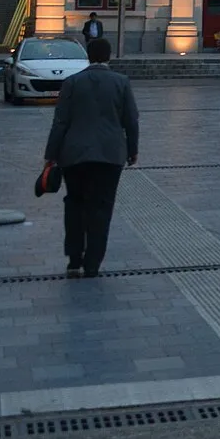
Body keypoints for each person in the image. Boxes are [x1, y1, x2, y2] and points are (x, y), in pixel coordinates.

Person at [44, 36, 139, 277]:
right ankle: (93, 262)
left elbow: (60, 122)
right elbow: (131, 120)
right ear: (109, 56)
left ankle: (74, 258)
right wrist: (132, 150)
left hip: (74, 155)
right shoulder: (121, 82)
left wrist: (51, 155)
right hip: (110, 154)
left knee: (75, 204)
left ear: (88, 56)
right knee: (102, 207)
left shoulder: (72, 82)